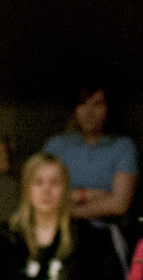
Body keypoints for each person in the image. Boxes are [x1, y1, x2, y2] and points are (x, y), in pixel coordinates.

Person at [41, 84, 136, 262]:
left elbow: (119, 204)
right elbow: (44, 197)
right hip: (58, 234)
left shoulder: (122, 147)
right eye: (83, 104)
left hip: (105, 240)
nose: (89, 112)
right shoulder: (56, 146)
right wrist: (90, 195)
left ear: (108, 108)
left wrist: (69, 208)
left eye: (97, 104)